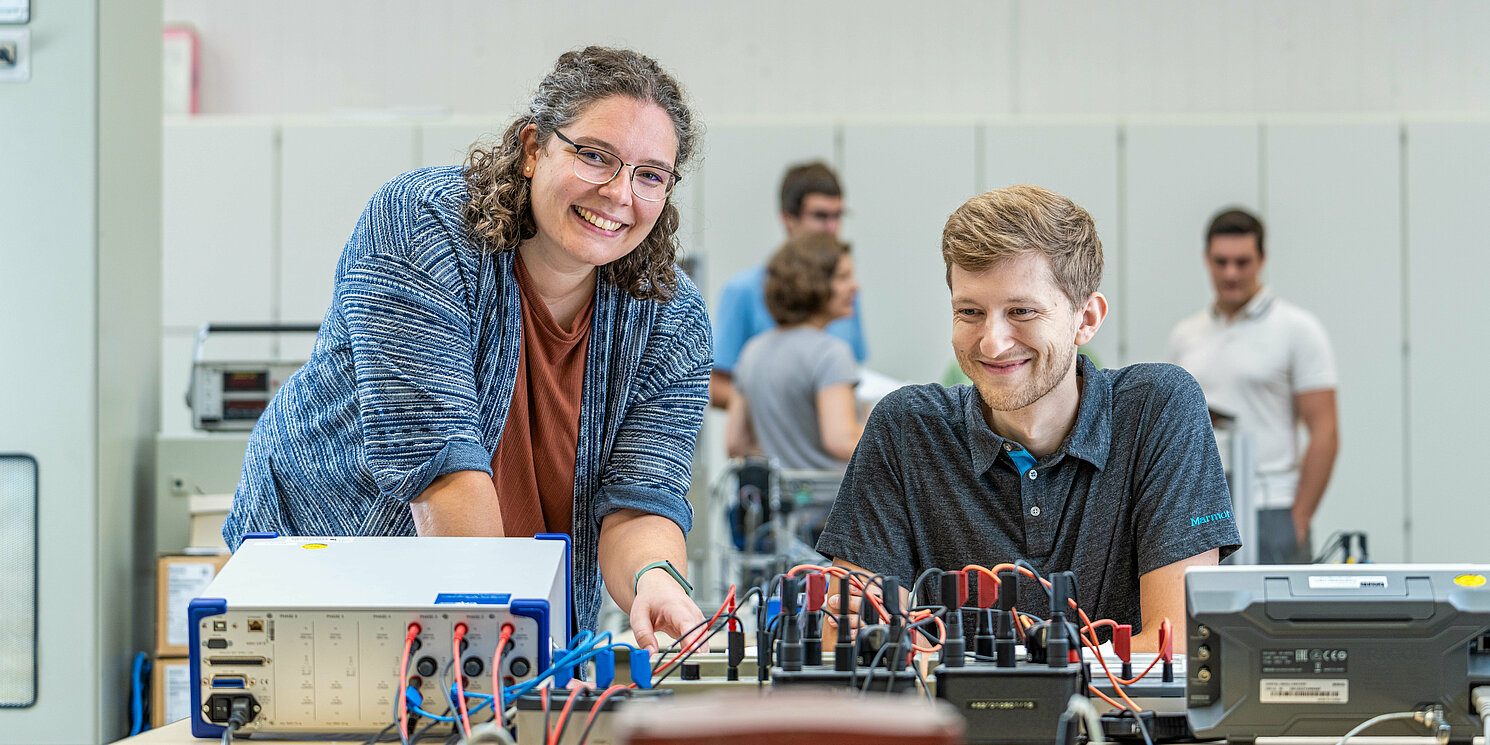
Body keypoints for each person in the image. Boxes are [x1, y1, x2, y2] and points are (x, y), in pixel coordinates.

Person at [222, 47, 709, 650]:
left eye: (650, 174)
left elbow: (641, 497)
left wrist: (653, 580)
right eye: (595, 156)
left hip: (513, 622)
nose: (619, 193)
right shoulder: (423, 226)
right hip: (328, 584)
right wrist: (504, 640)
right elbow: (438, 466)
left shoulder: (671, 315)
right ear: (533, 149)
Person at [816, 185, 1240, 652]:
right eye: (970, 312)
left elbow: (1175, 645)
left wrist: (953, 656)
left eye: (1021, 311)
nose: (992, 343)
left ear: (1087, 318)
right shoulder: (906, 429)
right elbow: (853, 644)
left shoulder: (1159, 410)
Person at [1167, 209, 1338, 564]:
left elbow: (1325, 430)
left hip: (1272, 507)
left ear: (1262, 260)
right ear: (1207, 260)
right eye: (1221, 262)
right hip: (1205, 512)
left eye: (1242, 262)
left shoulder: (1298, 329)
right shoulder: (1186, 336)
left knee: (1277, 619)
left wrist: (1299, 519)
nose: (1231, 273)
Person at [709, 162, 868, 409]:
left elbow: (851, 377)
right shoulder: (743, 290)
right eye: (820, 216)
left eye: (837, 216)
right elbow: (714, 385)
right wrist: (786, 413)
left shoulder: (846, 292)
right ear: (788, 218)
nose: (832, 228)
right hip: (765, 447)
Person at [725, 233, 862, 470]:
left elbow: (736, 443)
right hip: (831, 503)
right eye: (842, 277)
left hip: (780, 503)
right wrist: (893, 438)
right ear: (812, 283)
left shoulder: (752, 351)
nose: (854, 286)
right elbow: (841, 440)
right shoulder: (830, 354)